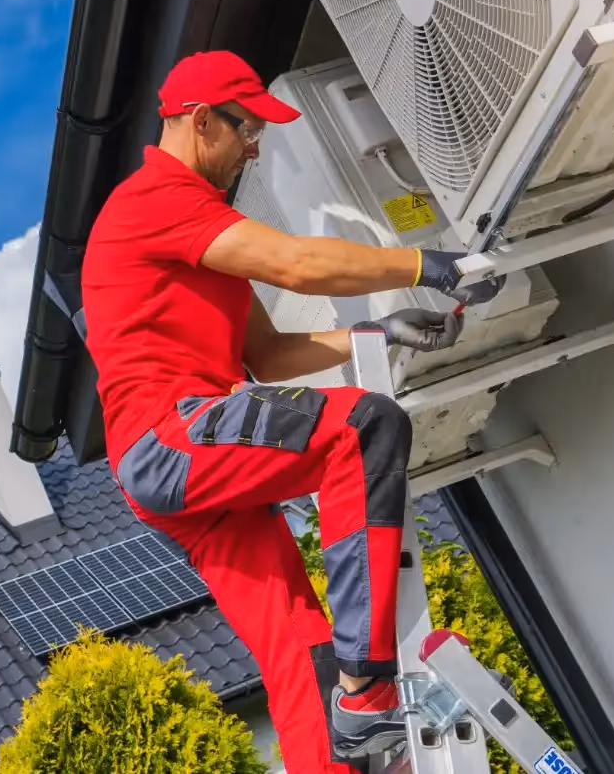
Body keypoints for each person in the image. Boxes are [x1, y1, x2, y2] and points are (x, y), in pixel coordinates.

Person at [79, 50, 500, 772]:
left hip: (177, 467)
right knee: (363, 428)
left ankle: (332, 754)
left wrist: (374, 330)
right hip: (172, 434)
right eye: (247, 128)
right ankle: (365, 694)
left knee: (295, 639)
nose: (255, 146)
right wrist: (424, 266)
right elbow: (297, 264)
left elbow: (269, 357)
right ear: (200, 119)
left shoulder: (200, 229)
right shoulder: (157, 197)